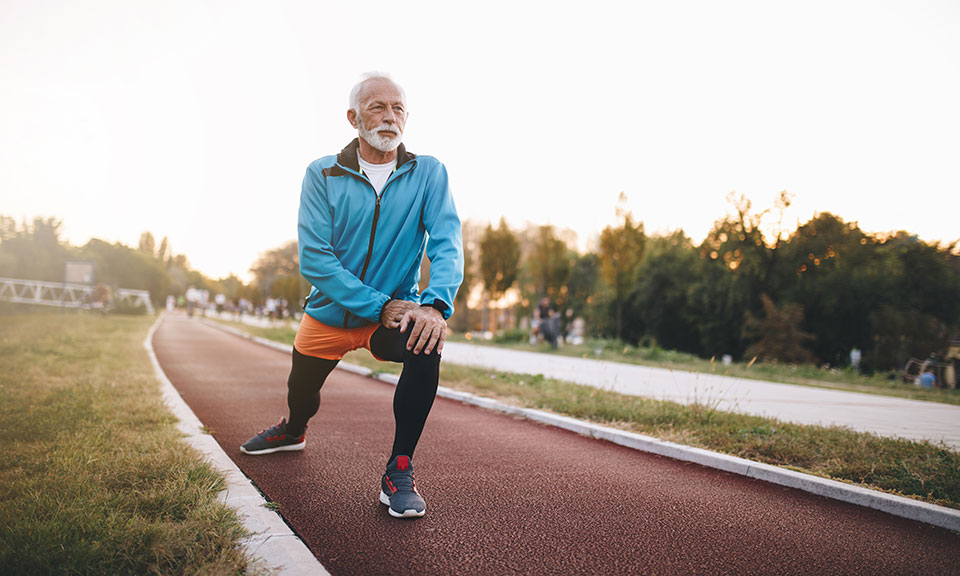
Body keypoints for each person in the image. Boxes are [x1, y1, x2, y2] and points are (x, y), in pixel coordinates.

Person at [240, 72, 463, 520]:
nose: (389, 116)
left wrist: (435, 306)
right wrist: (377, 306)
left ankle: (398, 467)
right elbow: (316, 260)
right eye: (377, 107)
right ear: (353, 117)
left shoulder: (429, 173)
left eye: (398, 108)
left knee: (426, 342)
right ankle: (294, 429)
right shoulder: (322, 173)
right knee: (301, 393)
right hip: (329, 316)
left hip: (397, 309)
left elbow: (447, 242)